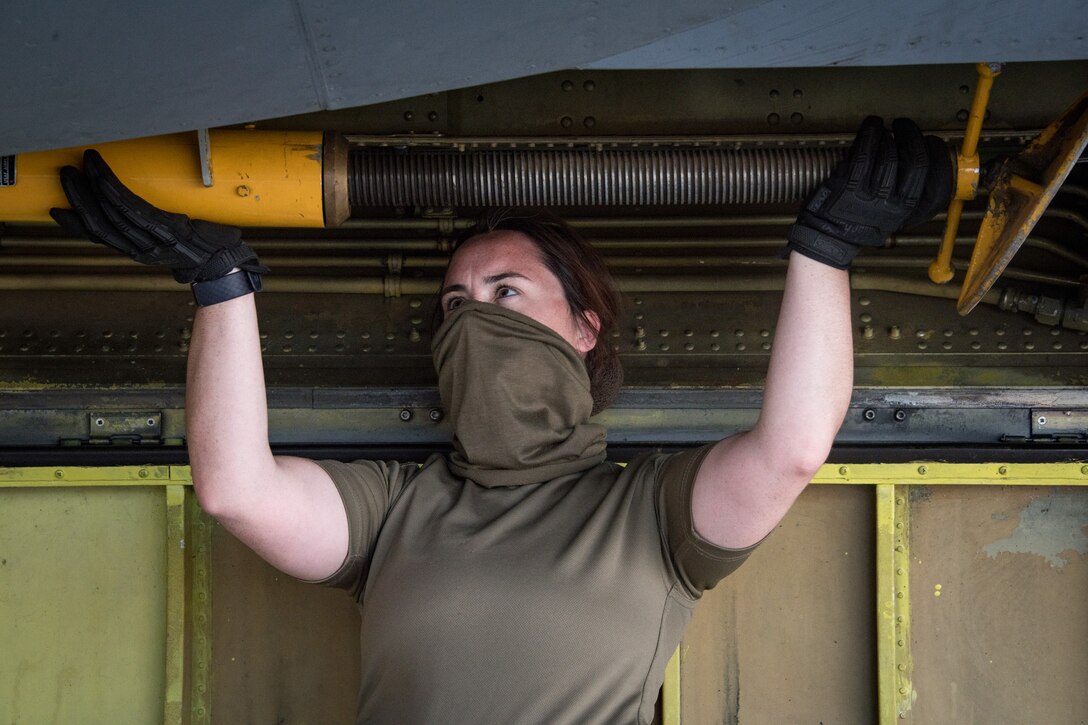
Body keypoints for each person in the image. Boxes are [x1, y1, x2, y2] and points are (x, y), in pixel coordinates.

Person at [51, 116, 951, 724]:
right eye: (456, 304)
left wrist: (824, 251)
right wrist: (222, 285)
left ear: (584, 328)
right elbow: (237, 490)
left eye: (506, 292)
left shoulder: (650, 515)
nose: (473, 317)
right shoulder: (394, 510)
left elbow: (790, 448)